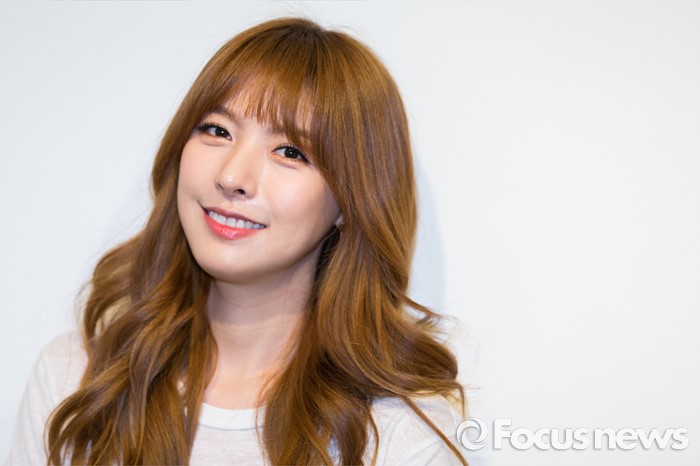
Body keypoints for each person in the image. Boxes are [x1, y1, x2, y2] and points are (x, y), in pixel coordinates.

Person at [7, 17, 468, 465]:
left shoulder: (398, 434)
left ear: (351, 201)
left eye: (290, 152)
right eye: (217, 130)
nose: (231, 177)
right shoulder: (78, 380)